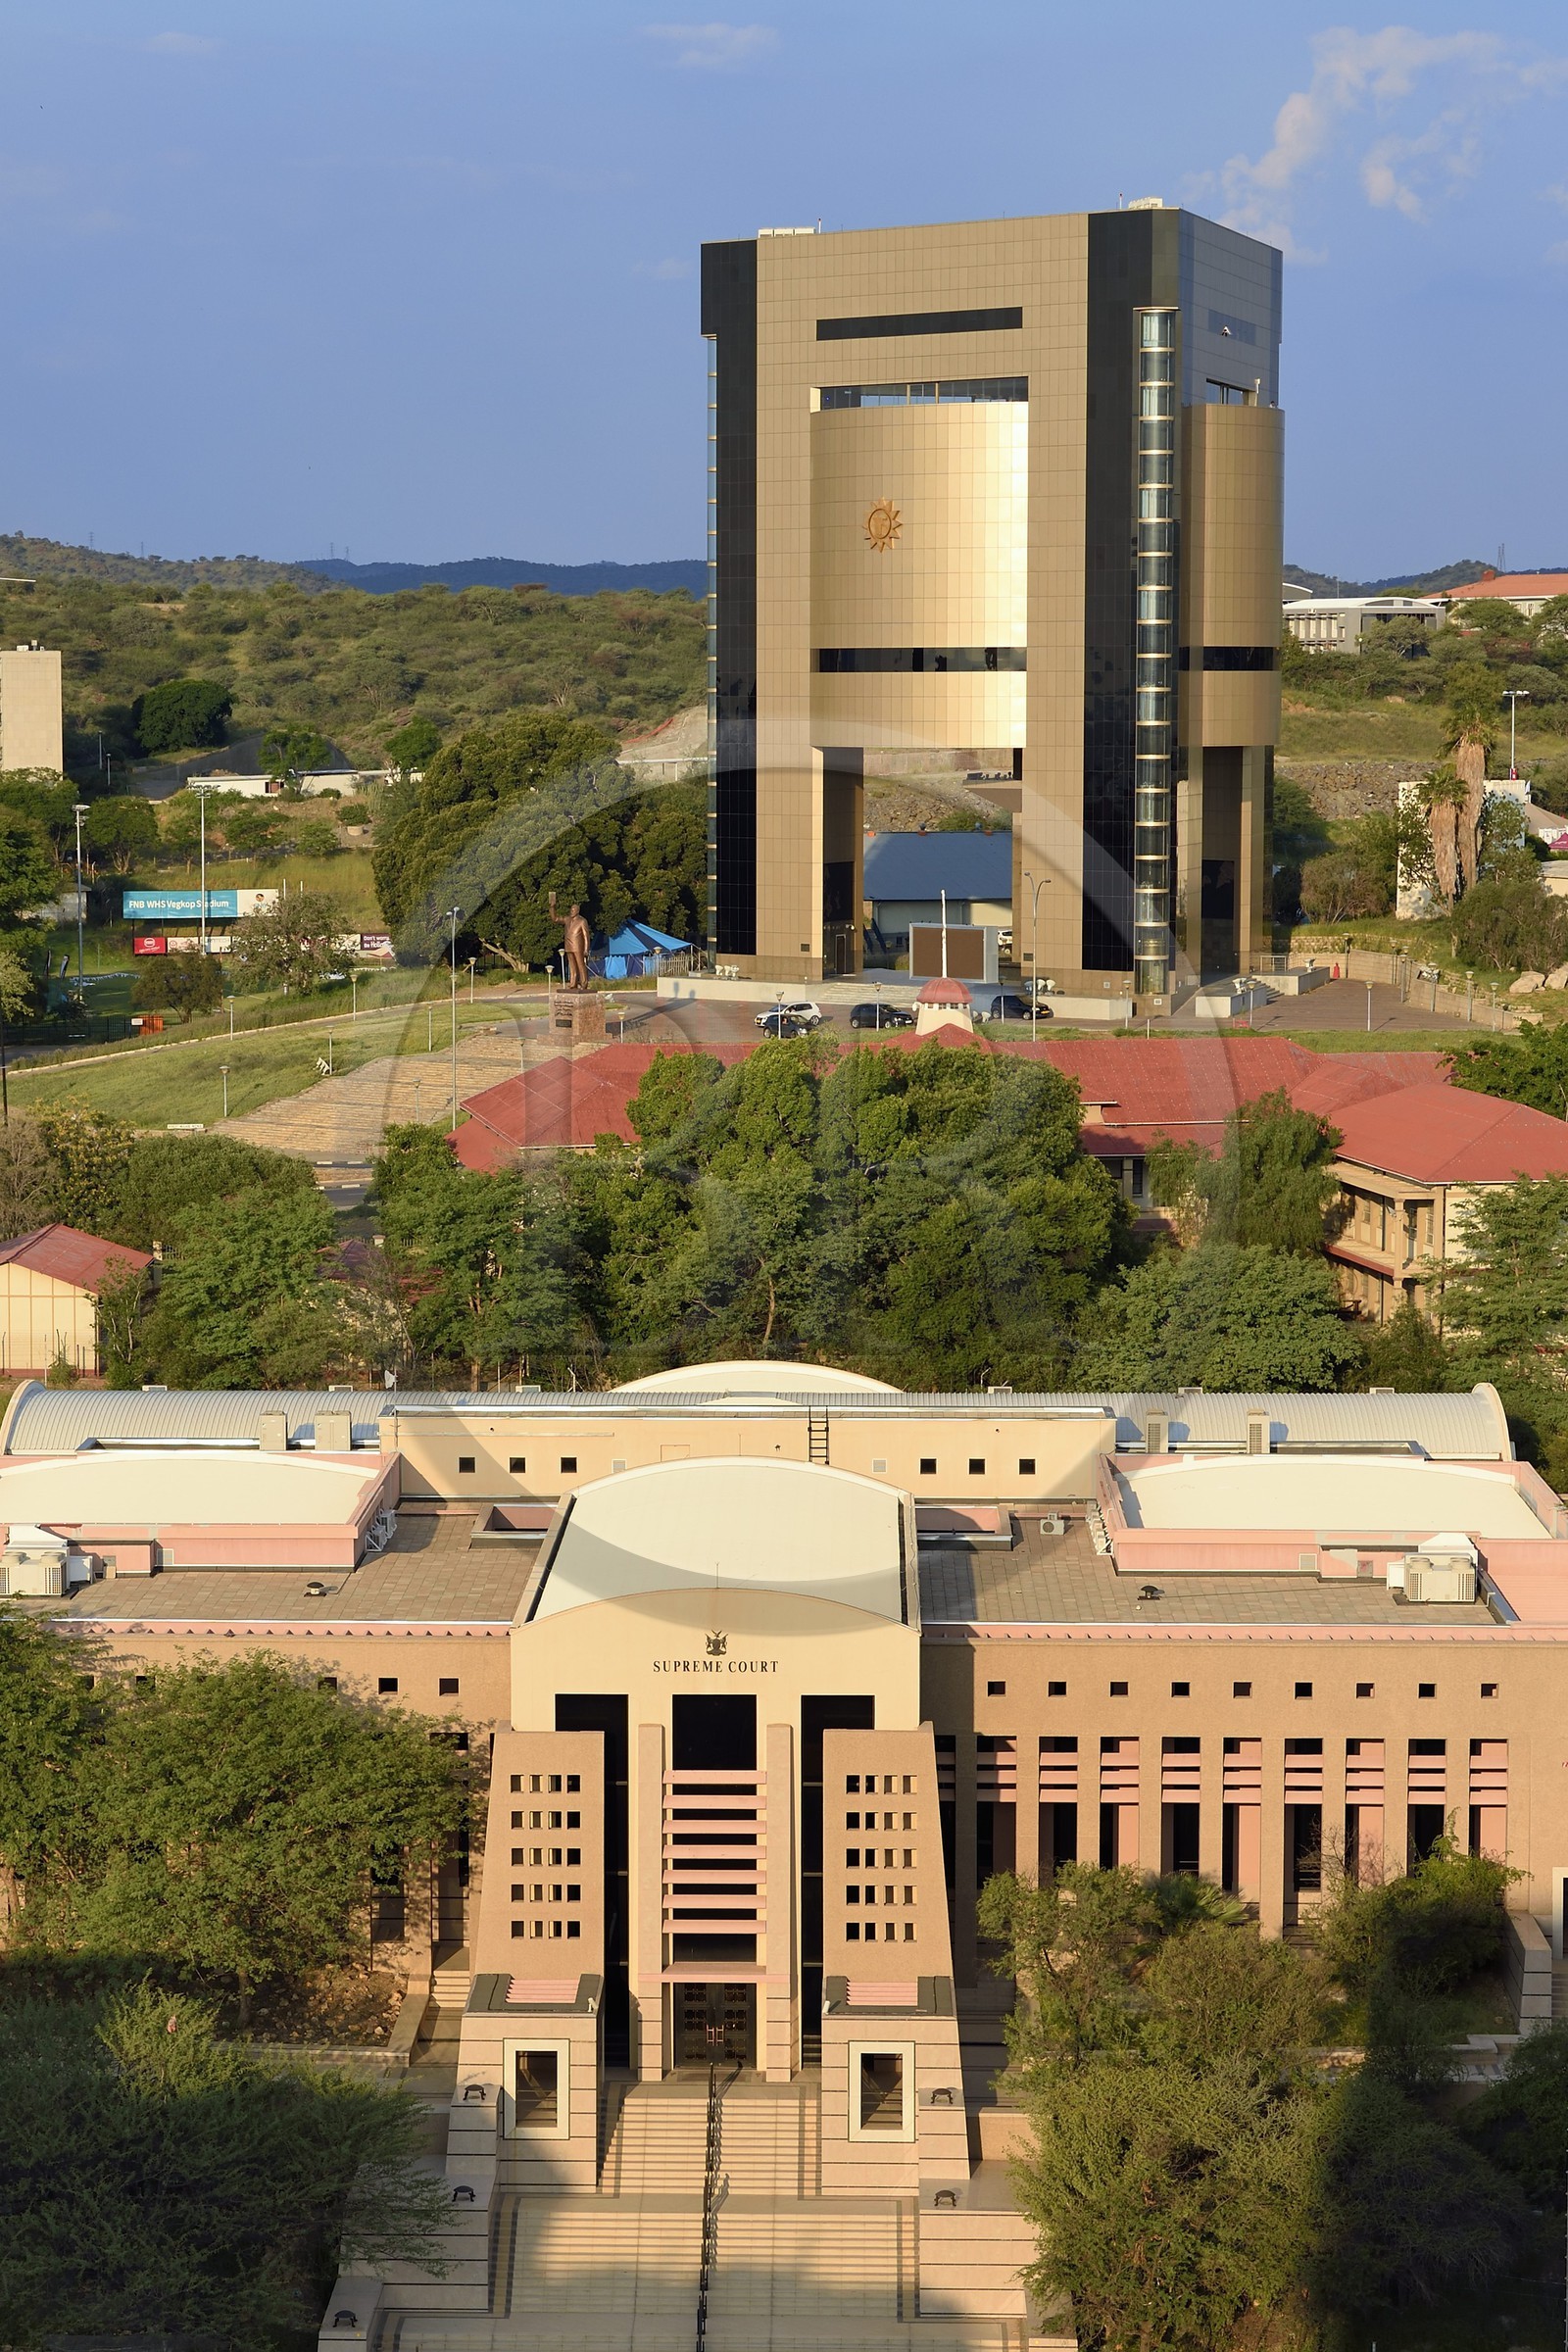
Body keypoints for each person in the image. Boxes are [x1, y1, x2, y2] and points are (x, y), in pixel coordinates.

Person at [548, 892, 591, 992]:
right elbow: (555, 919)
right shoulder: (567, 919)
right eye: (571, 910)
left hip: (578, 947)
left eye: (573, 910)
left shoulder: (582, 921)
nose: (571, 911)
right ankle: (573, 983)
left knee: (581, 965)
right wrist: (552, 908)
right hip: (569, 946)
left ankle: (584, 983)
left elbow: (586, 936)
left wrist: (586, 949)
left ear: (577, 911)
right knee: (571, 965)